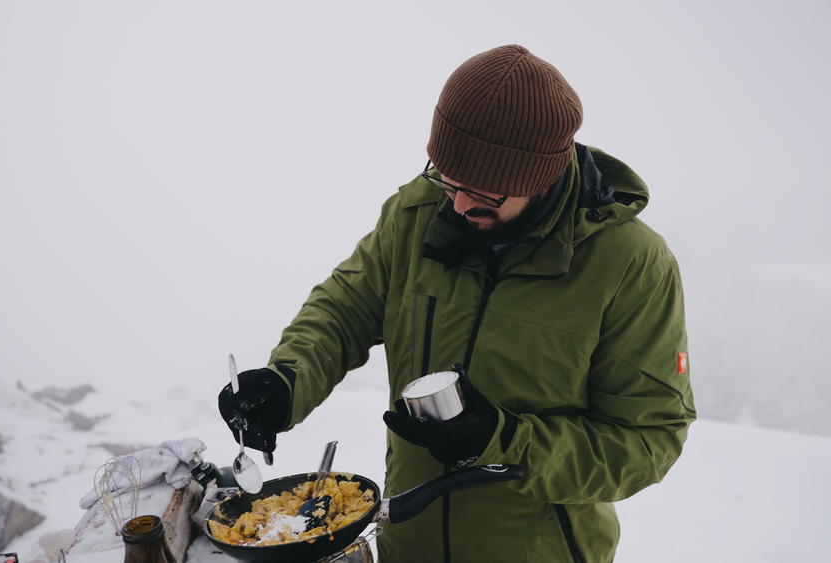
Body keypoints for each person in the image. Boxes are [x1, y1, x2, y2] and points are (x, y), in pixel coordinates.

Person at [217, 45, 695, 563]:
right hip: (408, 543)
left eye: (484, 193)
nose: (459, 203)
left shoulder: (631, 264)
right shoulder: (419, 210)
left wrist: (502, 441)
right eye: (447, 177)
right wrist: (289, 378)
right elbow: (346, 306)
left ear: (536, 179)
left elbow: (647, 440)